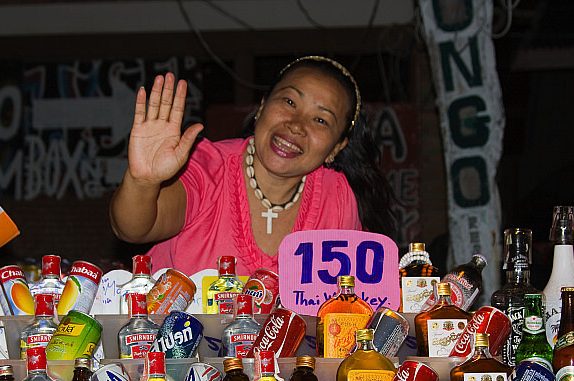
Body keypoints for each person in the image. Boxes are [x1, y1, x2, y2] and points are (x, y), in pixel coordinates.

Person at [110, 56, 398, 276]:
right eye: (289, 101)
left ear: (336, 147)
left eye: (320, 120)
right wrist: (143, 181)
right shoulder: (208, 168)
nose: (296, 125)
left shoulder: (337, 198)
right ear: (261, 107)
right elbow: (133, 229)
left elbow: (343, 306)